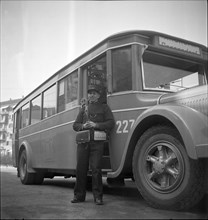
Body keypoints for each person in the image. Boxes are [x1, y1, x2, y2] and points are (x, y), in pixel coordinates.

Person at [71, 84, 115, 205]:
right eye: (89, 93)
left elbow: (111, 123)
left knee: (96, 169)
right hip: (83, 143)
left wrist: (96, 125)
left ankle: (98, 197)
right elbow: (75, 125)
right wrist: (83, 126)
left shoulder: (104, 107)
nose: (91, 95)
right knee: (80, 169)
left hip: (97, 143)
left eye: (94, 93)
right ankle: (79, 196)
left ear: (99, 95)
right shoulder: (83, 109)